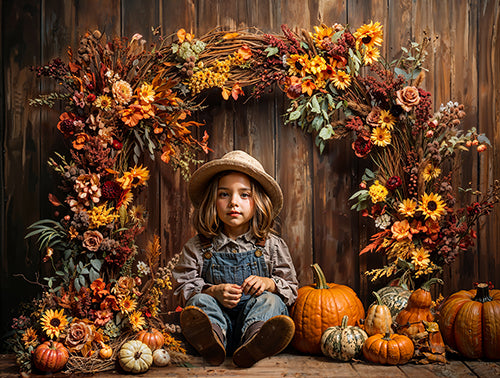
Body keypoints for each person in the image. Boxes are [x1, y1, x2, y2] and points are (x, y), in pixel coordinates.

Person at [172, 150, 298, 368]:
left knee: (271, 301)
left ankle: (256, 341)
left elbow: (291, 288)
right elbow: (181, 287)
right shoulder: (198, 247)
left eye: (244, 194)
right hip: (216, 326)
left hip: (254, 321)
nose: (233, 202)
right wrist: (212, 291)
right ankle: (211, 340)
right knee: (200, 302)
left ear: (258, 201)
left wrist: (269, 284)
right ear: (212, 200)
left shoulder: (271, 245)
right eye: (224, 194)